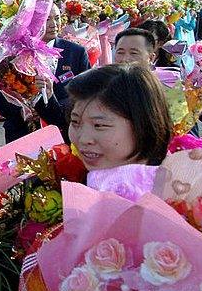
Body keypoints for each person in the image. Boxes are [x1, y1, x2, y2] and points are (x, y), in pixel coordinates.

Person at [67, 64, 172, 198]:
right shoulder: (77, 178)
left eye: (99, 125)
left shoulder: (177, 196)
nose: (83, 139)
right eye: (75, 122)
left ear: (143, 124)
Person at [0, 4, 89, 142]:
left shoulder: (75, 52)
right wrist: (25, 110)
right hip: (21, 133)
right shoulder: (12, 54)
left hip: (62, 133)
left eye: (57, 18)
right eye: (47, 19)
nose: (54, 24)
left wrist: (54, 106)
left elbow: (86, 96)